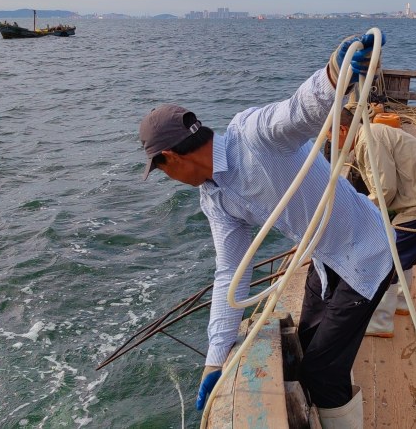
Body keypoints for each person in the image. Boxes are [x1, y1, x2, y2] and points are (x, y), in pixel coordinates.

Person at [139, 32, 390, 427]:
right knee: (306, 350)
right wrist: (215, 359)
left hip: (368, 252)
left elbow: (299, 111)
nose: (167, 177)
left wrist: (334, 72)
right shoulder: (217, 199)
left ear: (169, 159)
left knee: (323, 374)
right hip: (327, 261)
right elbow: (230, 275)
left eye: (162, 170)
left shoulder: (252, 135)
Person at [334, 104, 416, 338]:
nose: (329, 142)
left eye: (328, 134)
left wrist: (355, 213)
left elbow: (385, 189)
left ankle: (380, 321)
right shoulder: (371, 134)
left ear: (341, 129)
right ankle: (400, 304)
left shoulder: (368, 141)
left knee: (388, 258)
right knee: (402, 255)